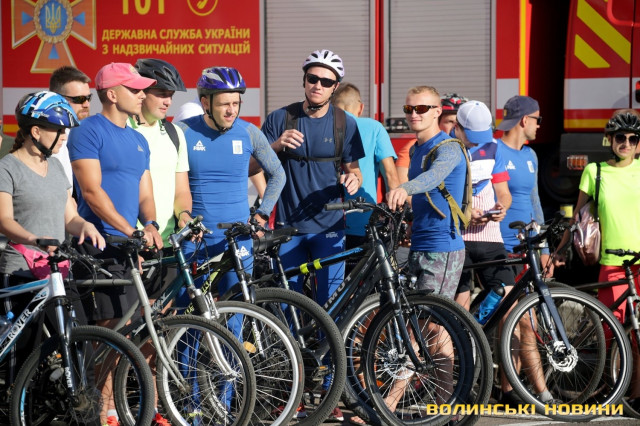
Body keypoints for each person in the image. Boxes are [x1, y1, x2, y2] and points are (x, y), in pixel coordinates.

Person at [0, 91, 104, 405]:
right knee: (25, 354)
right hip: (21, 271)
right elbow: (4, 219)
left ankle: (79, 411)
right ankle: (18, 409)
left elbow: (69, 216)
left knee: (77, 343)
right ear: (35, 131)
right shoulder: (8, 167)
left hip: (58, 272)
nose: (64, 136)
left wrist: (85, 226)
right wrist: (34, 239)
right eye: (59, 130)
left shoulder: (57, 167)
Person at [261, 49, 364, 305]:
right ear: (304, 80)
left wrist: (354, 180)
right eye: (312, 78)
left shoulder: (345, 123)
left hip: (330, 227)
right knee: (288, 305)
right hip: (288, 227)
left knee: (331, 304)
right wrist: (276, 146)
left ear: (335, 87)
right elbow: (251, 168)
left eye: (326, 82)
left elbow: (354, 171)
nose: (318, 85)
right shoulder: (280, 118)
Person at [175, 66, 285, 298]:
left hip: (238, 238)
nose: (231, 111)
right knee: (189, 313)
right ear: (205, 103)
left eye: (236, 103)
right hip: (195, 239)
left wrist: (263, 213)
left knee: (238, 307)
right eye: (224, 104)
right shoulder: (183, 131)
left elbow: (278, 173)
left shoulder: (249, 132)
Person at [68, 62, 163, 329]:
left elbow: (145, 195)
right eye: (134, 90)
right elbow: (91, 192)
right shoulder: (86, 130)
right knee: (111, 333)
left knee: (139, 330)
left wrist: (150, 225)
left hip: (127, 247)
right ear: (111, 94)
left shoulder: (139, 140)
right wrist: (131, 232)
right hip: (97, 246)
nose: (142, 95)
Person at [559, 112, 640, 404]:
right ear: (610, 140)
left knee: (638, 333)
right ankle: (610, 387)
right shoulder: (595, 172)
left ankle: (636, 393)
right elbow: (577, 217)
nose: (626, 143)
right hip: (612, 262)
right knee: (609, 331)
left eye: (633, 139)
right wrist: (559, 250)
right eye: (620, 137)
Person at [386, 86, 467, 298]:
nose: (414, 114)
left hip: (442, 246)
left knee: (433, 315)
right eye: (408, 109)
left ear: (437, 111)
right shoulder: (416, 149)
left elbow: (434, 176)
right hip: (418, 243)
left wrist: (404, 188)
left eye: (421, 108)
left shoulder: (448, 147)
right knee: (413, 314)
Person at [454, 100, 513, 310]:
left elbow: (504, 193)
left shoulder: (494, 147)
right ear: (457, 127)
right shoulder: (448, 147)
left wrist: (501, 207)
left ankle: (481, 328)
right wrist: (465, 213)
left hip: (490, 236)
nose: (477, 142)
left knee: (508, 299)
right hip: (457, 237)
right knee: (460, 305)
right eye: (473, 136)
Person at [332, 82, 399, 248]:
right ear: (361, 108)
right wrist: (395, 214)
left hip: (327, 223)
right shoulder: (374, 127)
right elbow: (390, 174)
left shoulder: (323, 127)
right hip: (364, 224)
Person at [495, 95, 552, 276]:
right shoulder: (493, 151)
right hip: (501, 248)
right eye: (538, 119)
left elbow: (535, 202)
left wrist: (544, 249)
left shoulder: (531, 155)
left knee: (531, 296)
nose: (539, 125)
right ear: (525, 120)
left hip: (528, 247)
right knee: (504, 294)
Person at [49, 66, 93, 185]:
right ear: (57, 99)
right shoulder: (47, 138)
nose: (86, 104)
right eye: (79, 99)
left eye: (89, 97)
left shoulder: (92, 133)